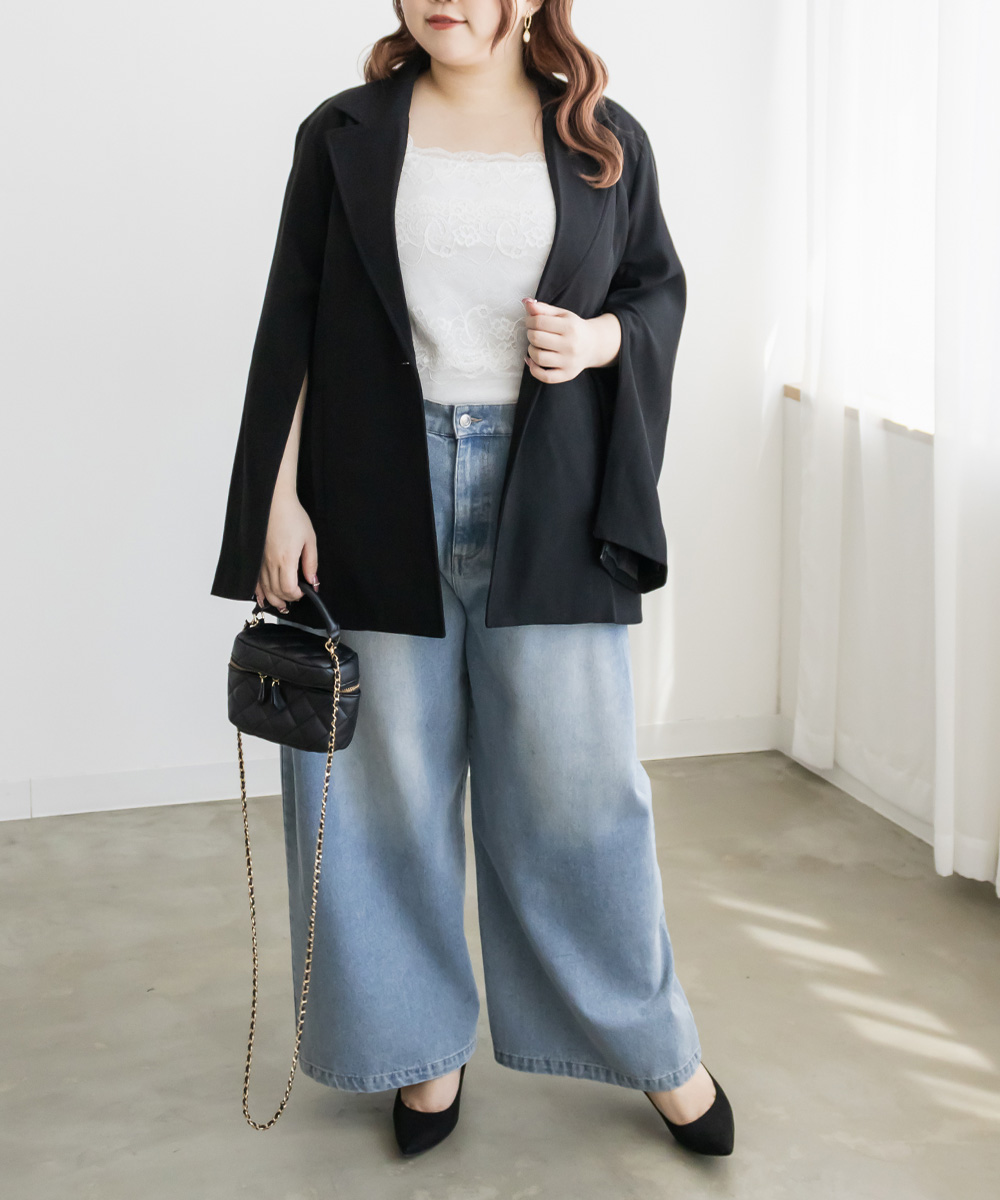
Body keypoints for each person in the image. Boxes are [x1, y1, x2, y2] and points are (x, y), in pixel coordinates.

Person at [216, 0, 735, 1159]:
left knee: (578, 793)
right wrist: (277, 500)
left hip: (548, 491)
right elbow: (293, 321)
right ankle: (419, 1051)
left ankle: (650, 1047)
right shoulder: (344, 131)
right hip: (370, 491)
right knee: (377, 795)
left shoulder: (601, 137)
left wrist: (596, 342)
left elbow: (654, 294)